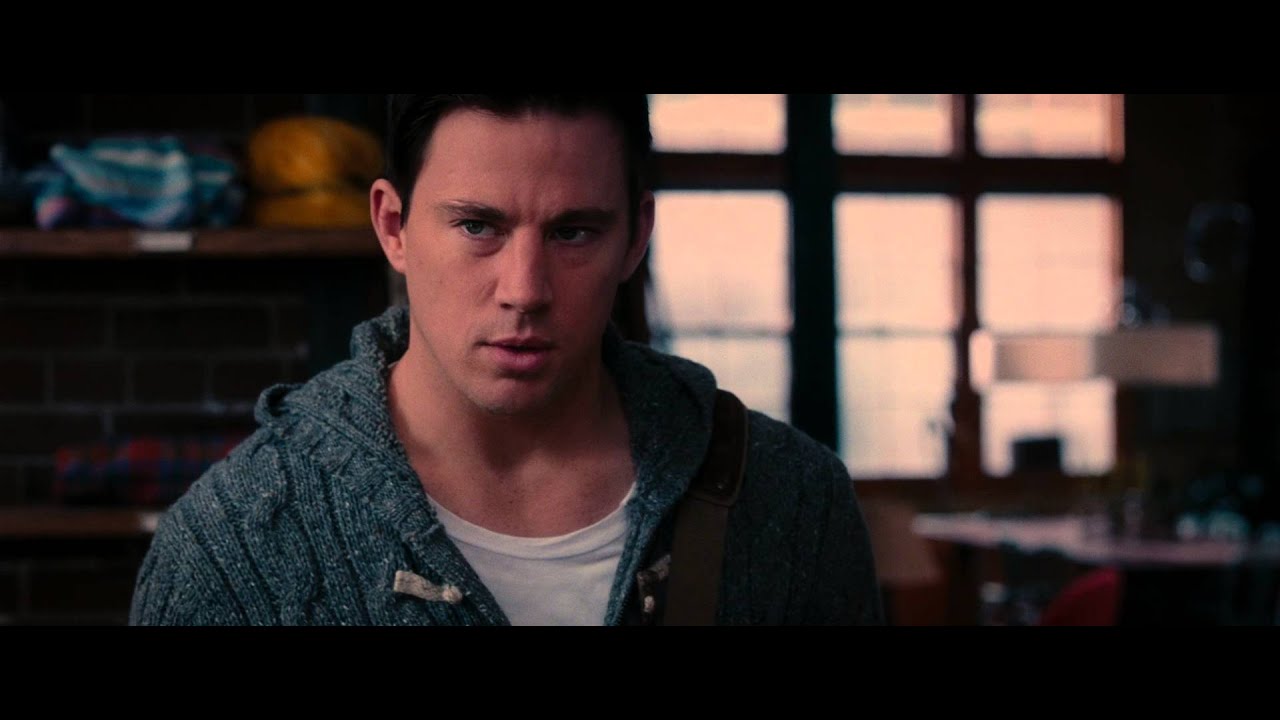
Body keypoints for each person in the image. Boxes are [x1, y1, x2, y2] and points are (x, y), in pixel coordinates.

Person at [128, 94, 883, 625]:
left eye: (573, 232)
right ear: (393, 226)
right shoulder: (232, 544)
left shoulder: (792, 500)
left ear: (636, 236)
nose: (525, 291)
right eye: (477, 227)